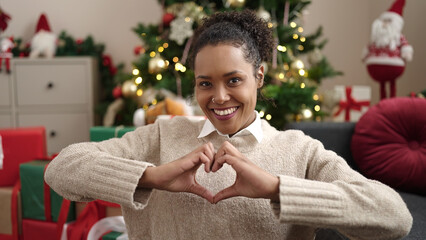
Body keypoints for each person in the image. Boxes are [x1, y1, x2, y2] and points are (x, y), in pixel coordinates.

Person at [45, 10, 412, 240]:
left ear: (259, 76)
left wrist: (276, 189)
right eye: (205, 83)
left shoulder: (300, 151)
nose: (218, 96)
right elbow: (62, 168)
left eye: (233, 80)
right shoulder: (162, 134)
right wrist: (150, 178)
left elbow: (393, 217)